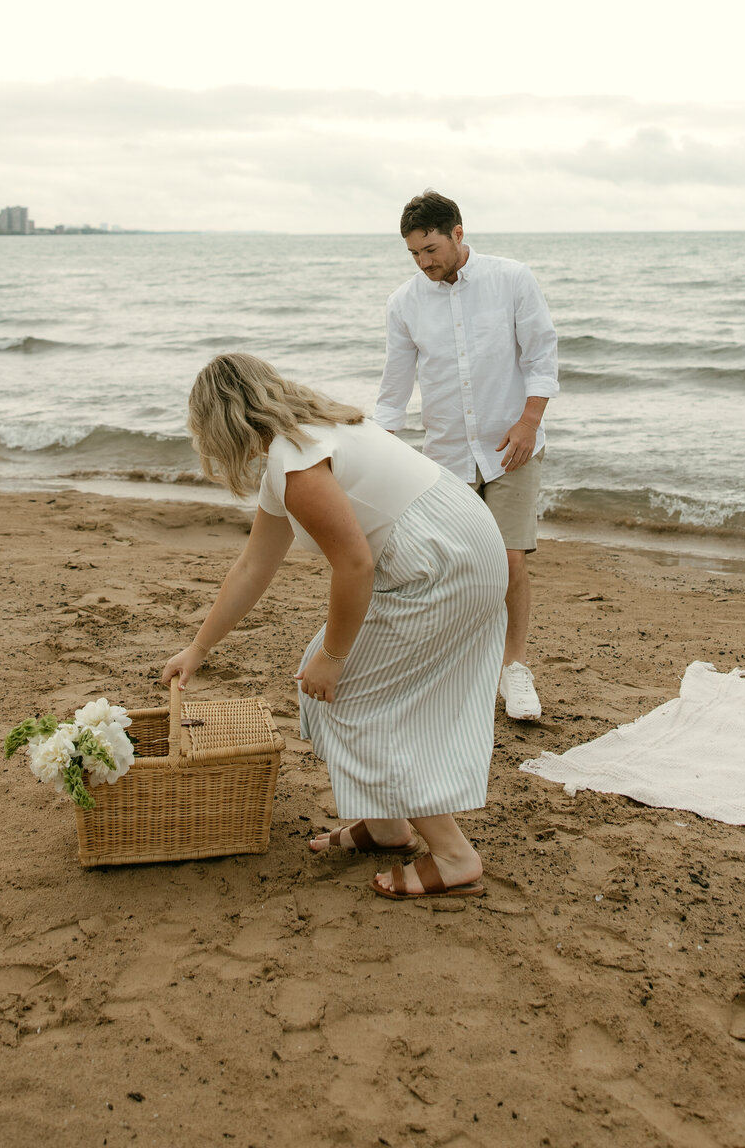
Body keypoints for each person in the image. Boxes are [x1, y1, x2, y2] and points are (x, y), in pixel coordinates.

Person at [161, 353, 509, 900]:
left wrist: (336, 655)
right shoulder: (300, 443)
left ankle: (454, 855)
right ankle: (390, 825)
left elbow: (354, 564)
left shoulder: (295, 460)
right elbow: (253, 567)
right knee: (322, 680)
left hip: (445, 563)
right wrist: (197, 649)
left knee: (352, 697)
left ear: (220, 423)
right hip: (457, 543)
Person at [374, 190, 558, 721]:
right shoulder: (404, 303)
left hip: (511, 449)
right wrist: (382, 452)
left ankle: (515, 669)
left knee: (508, 559)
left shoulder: (513, 279)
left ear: (458, 233)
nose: (424, 262)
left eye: (430, 248)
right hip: (446, 454)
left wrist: (528, 423)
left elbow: (542, 356)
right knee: (449, 566)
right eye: (414, 254)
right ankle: (458, 664)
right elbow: (394, 389)